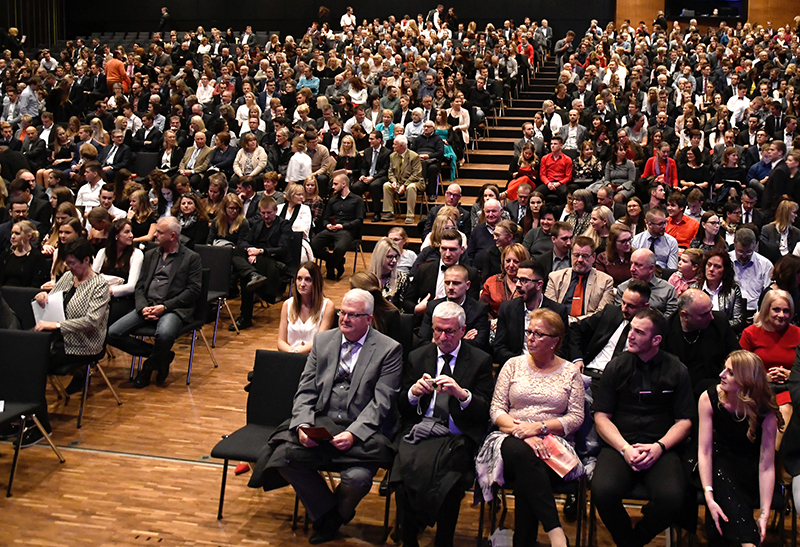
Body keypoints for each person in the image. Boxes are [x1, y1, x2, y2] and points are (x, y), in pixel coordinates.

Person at [247, 289, 403, 545]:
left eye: (354, 315)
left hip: (363, 430)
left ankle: (332, 518)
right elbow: (306, 389)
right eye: (343, 313)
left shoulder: (389, 350)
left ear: (369, 318)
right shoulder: (323, 341)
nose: (345, 319)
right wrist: (304, 424)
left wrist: (354, 433)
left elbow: (381, 402)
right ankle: (330, 515)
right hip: (324, 421)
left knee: (357, 478)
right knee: (283, 458)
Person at [476, 308, 583, 547]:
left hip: (553, 443)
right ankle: (556, 534)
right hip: (508, 437)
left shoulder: (570, 373)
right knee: (525, 454)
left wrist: (538, 428)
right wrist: (521, 432)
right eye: (529, 332)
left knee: (531, 471)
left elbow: (575, 418)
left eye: (538, 334)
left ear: (555, 341)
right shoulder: (512, 365)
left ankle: (523, 543)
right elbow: (496, 410)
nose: (530, 338)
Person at [393, 301, 494, 547]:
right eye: (437, 330)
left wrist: (462, 395)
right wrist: (413, 393)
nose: (442, 336)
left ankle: (443, 541)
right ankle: (409, 539)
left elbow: (484, 412)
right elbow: (402, 407)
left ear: (462, 330)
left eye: (449, 331)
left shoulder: (480, 360)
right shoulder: (418, 356)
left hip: (456, 436)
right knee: (401, 475)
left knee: (451, 482)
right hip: (420, 432)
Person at [592, 308, 694, 547]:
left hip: (661, 447)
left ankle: (634, 541)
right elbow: (601, 417)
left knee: (673, 498)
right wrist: (625, 448)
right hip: (621, 444)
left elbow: (685, 421)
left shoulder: (677, 370)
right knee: (602, 492)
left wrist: (659, 447)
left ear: (656, 340)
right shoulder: (616, 367)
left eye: (639, 332)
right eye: (631, 329)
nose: (630, 335)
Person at [698, 350, 781, 546]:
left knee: (728, 488)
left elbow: (766, 464)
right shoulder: (709, 397)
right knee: (721, 471)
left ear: (746, 381)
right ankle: (748, 542)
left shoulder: (765, 409)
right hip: (716, 461)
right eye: (724, 369)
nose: (721, 375)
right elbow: (705, 451)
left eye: (730, 372)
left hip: (749, 466)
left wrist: (764, 514)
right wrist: (709, 498)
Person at [107, 217, 202, 388]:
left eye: (160, 232)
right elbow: (140, 285)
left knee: (164, 335)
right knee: (112, 333)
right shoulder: (150, 255)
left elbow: (193, 290)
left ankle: (148, 368)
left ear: (173, 236)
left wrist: (165, 307)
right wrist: (143, 306)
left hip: (172, 308)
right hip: (147, 305)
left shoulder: (191, 258)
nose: (155, 235)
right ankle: (161, 356)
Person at [30, 238, 110, 439]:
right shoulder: (67, 277)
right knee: (22, 358)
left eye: (73, 263)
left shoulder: (99, 286)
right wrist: (41, 297)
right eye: (67, 262)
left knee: (35, 367)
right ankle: (24, 419)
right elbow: (53, 302)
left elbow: (91, 321)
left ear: (86, 260)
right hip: (58, 339)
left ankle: (41, 425)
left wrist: (57, 326)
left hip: (84, 344)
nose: (69, 267)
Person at [569, 280, 651, 388]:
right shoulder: (611, 312)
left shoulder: (650, 328)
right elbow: (576, 328)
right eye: (623, 302)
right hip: (588, 372)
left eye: (631, 306)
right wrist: (577, 359)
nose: (624, 309)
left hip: (618, 383)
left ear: (645, 306)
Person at [230, 196, 293, 331]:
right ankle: (252, 274)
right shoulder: (258, 224)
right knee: (235, 252)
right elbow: (244, 242)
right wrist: (249, 251)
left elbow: (283, 249)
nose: (265, 216)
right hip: (256, 259)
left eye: (268, 213)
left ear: (276, 211)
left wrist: (260, 251)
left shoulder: (284, 225)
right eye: (263, 213)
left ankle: (245, 317)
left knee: (244, 275)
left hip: (275, 261)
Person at [664, 289, 742, 396]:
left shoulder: (719, 322)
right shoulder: (666, 330)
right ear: (685, 315)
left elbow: (737, 356)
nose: (711, 317)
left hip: (716, 387)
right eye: (704, 314)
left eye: (711, 310)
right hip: (679, 391)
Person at [494, 259, 569, 365]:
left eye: (524, 280)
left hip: (546, 369)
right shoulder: (508, 309)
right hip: (516, 367)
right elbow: (499, 348)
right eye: (517, 279)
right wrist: (524, 363)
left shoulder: (557, 311)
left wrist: (538, 363)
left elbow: (562, 350)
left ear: (539, 284)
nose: (518, 285)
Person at [740, 290, 800, 405]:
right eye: (776, 310)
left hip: (790, 388)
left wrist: (792, 375)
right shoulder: (750, 333)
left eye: (786, 311)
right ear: (767, 310)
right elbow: (741, 368)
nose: (782, 315)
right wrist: (763, 377)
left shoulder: (798, 334)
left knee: (786, 406)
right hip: (758, 388)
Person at [418, 265, 491, 354]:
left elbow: (479, 343)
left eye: (456, 283)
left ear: (467, 285)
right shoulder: (433, 306)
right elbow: (423, 341)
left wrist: (437, 341)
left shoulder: (479, 309)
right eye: (447, 283)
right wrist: (461, 340)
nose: (450, 287)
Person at [403, 229, 480, 315]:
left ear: (462, 250)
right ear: (439, 248)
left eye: (452, 249)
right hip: (426, 321)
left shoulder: (471, 273)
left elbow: (472, 306)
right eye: (444, 248)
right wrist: (417, 309)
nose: (447, 254)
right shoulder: (424, 269)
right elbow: (407, 302)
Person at [545, 236, 615, 321]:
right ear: (571, 254)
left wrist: (575, 321)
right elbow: (549, 309)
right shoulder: (555, 277)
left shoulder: (606, 281)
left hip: (588, 328)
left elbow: (602, 313)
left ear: (593, 257)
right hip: (558, 326)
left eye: (585, 256)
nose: (580, 260)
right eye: (576, 255)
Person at [310, 173, 365, 280]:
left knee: (339, 248)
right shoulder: (332, 200)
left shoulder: (357, 200)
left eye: (335, 184)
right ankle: (337, 262)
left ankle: (330, 265)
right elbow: (325, 218)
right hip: (331, 230)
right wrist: (327, 225)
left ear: (344, 184)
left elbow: (359, 220)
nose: (333, 187)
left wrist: (343, 226)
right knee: (313, 245)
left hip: (347, 231)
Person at [93, 219, 144, 326]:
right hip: (99, 295)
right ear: (116, 235)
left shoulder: (136, 254)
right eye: (126, 232)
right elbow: (92, 277)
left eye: (131, 232)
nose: (131, 235)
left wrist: (109, 291)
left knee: (103, 317)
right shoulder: (103, 252)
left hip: (122, 298)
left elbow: (131, 286)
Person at [276, 261, 335, 354]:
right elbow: (280, 341)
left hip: (313, 360)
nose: (302, 284)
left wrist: (295, 352)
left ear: (316, 282)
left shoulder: (327, 306)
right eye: (299, 279)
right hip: (290, 357)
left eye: (308, 280)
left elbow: (318, 342)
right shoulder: (287, 304)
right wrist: (292, 353)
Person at [615, 249, 678, 316]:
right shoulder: (623, 288)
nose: (632, 269)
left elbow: (671, 319)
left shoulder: (668, 290)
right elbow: (619, 315)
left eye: (638, 265)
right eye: (631, 264)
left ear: (651, 268)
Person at [382, 135, 423, 225]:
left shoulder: (414, 156)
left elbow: (416, 174)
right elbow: (390, 172)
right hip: (399, 181)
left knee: (411, 187)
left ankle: (410, 215)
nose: (393, 146)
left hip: (414, 182)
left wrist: (405, 185)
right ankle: (389, 212)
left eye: (395, 144)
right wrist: (393, 181)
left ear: (401, 146)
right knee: (386, 185)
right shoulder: (392, 156)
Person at [731, 228, 774, 315]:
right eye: (740, 251)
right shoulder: (725, 261)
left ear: (755, 245)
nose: (744, 256)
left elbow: (769, 294)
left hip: (755, 312)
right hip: (730, 311)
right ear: (734, 243)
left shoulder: (765, 265)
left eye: (748, 252)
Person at [481, 243, 529, 318]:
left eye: (516, 262)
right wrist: (491, 321)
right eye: (508, 261)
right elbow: (482, 310)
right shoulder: (492, 282)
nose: (511, 265)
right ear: (503, 262)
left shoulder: (529, 283)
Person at [0, 220, 48, 287]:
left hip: (25, 294)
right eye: (12, 233)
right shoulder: (6, 255)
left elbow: (36, 284)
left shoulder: (37, 258)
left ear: (28, 236)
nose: (12, 237)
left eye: (17, 233)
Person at [278, 183, 314, 263]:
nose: (302, 197)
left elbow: (304, 231)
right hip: (279, 241)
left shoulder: (305, 209)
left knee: (301, 257)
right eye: (298, 195)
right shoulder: (279, 208)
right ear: (291, 195)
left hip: (298, 242)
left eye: (302, 194)